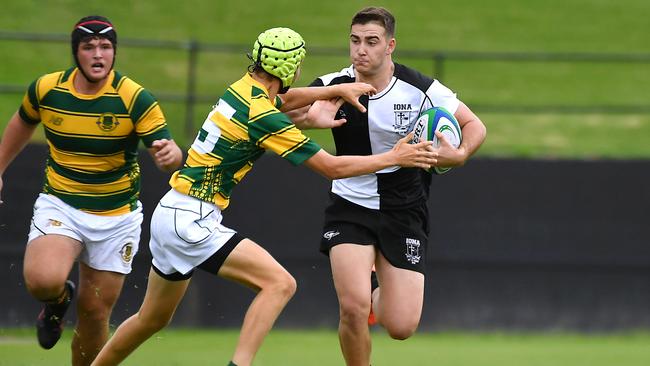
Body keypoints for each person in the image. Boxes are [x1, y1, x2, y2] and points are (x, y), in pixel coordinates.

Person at [90, 27, 437, 366]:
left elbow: (285, 98)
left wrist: (339, 89)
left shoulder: (242, 90)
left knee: (150, 320)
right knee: (279, 284)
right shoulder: (264, 117)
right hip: (192, 218)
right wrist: (396, 157)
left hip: (169, 212)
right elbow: (331, 167)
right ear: (291, 68)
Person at [306, 7, 487, 366]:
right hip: (350, 205)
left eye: (372, 42)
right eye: (355, 41)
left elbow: (474, 125)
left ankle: (376, 284)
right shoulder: (333, 84)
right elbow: (285, 106)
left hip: (404, 208)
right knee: (353, 309)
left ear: (390, 46)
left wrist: (461, 154)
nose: (361, 50)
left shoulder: (420, 88)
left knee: (401, 325)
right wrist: (309, 115)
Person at [0, 15, 183, 366]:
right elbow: (22, 123)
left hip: (117, 217)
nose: (98, 54)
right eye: (89, 47)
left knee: (95, 312)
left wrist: (170, 156)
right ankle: (56, 303)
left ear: (114, 53)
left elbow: (169, 153)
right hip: (61, 203)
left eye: (106, 47)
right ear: (76, 53)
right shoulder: (47, 89)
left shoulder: (133, 97)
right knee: (42, 281)